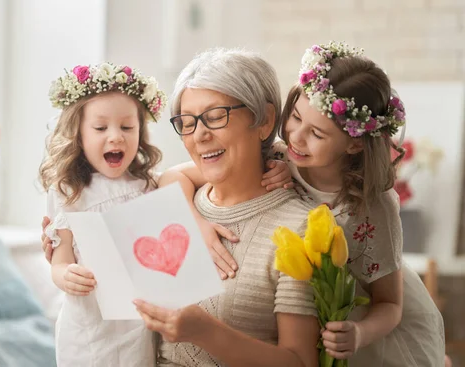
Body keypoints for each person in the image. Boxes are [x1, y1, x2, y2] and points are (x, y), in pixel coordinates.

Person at [170, 42, 446, 366]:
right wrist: (194, 222)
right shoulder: (281, 154)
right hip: (310, 296)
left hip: (358, 309)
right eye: (295, 117)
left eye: (316, 132)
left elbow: (390, 304)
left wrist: (358, 333)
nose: (296, 137)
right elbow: (173, 178)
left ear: (355, 143)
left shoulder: (372, 207)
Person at [133, 48, 320, 367]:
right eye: (187, 122)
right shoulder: (174, 205)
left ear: (265, 121)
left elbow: (301, 362)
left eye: (216, 116)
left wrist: (206, 332)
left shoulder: (298, 228)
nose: (200, 135)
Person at [38, 62, 166, 366]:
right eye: (100, 128)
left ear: (140, 131)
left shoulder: (148, 186)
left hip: (136, 325)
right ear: (79, 135)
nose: (115, 137)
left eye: (126, 127)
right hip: (88, 329)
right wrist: (65, 276)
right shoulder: (69, 193)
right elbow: (60, 261)